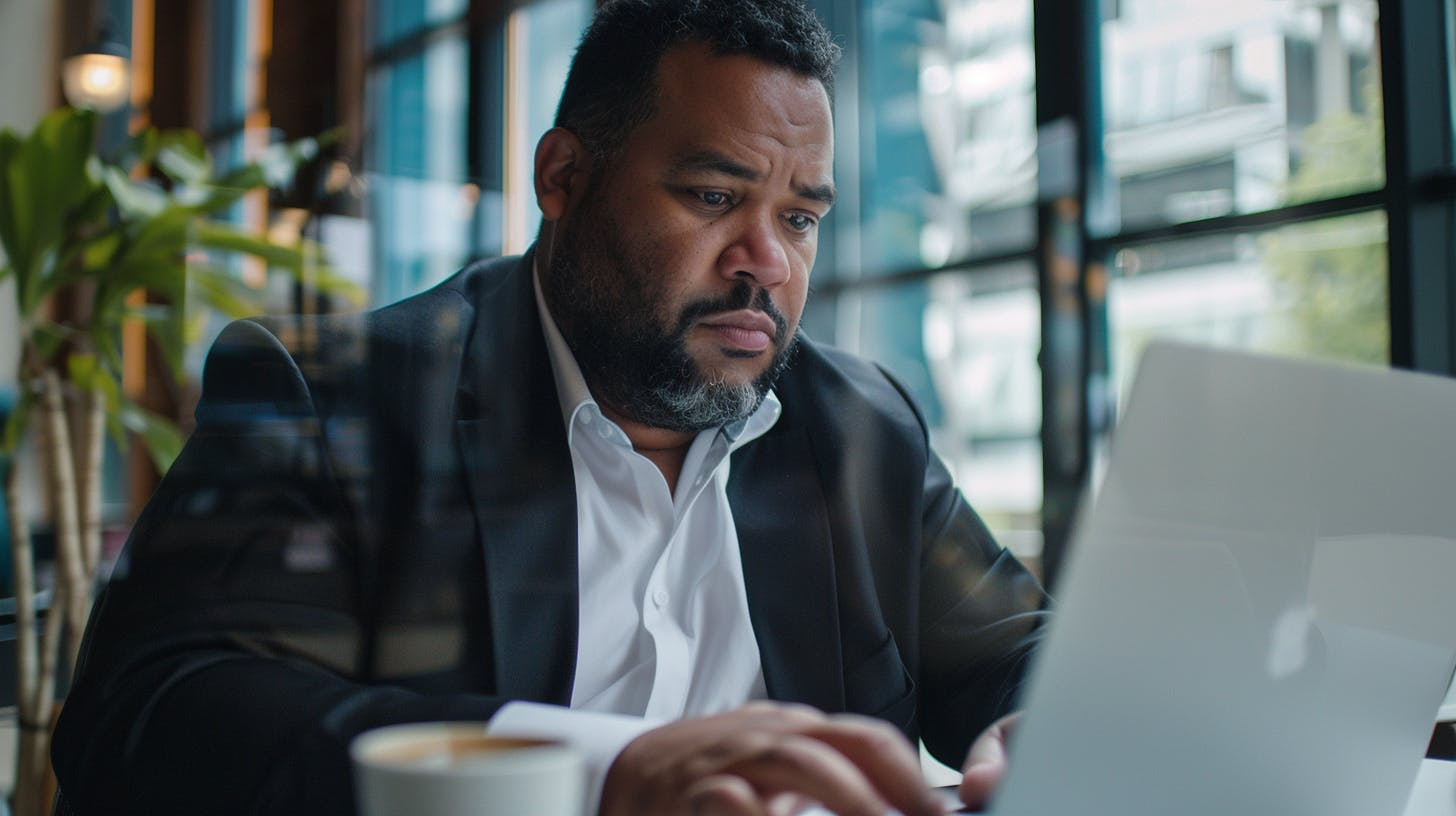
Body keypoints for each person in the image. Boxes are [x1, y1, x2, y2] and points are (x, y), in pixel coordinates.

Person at [52, 1, 1050, 814]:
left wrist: (1043, 733)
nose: (768, 263)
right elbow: (149, 719)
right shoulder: (333, 398)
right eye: (712, 197)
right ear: (562, 177)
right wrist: (600, 770)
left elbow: (1020, 653)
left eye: (798, 218)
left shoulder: (860, 425)